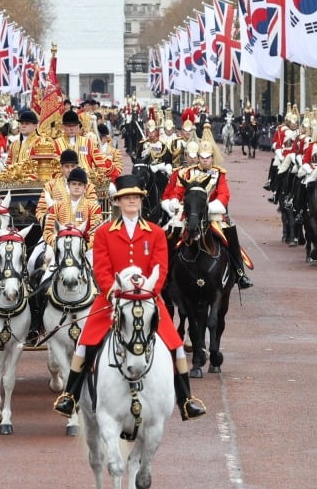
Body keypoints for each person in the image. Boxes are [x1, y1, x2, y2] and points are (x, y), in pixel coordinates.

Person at [52, 175, 207, 422]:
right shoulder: (104, 232)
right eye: (127, 198)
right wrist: (113, 292)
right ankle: (70, 395)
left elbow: (161, 268)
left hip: (147, 299)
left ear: (141, 201)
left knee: (175, 346)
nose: (132, 201)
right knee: (84, 342)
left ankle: (186, 400)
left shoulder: (155, 232)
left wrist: (149, 291)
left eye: (135, 197)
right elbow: (101, 269)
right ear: (118, 202)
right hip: (112, 300)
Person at [159, 139, 252, 289]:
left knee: (230, 232)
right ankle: (166, 271)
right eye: (202, 157)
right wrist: (175, 202)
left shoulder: (219, 174)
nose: (204, 160)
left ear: (212, 158)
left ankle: (240, 272)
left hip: (212, 213)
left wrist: (210, 207)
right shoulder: (188, 172)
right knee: (171, 232)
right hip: (190, 213)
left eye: (207, 157)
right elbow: (178, 192)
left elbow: (224, 195)